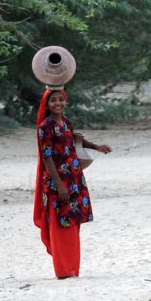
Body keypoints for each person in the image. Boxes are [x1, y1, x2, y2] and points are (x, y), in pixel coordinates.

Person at [34, 88, 112, 279]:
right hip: (58, 181)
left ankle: (72, 268)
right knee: (61, 223)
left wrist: (97, 147)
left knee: (73, 222)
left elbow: (76, 141)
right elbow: (47, 157)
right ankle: (64, 269)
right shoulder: (45, 127)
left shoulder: (66, 123)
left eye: (61, 99)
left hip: (74, 178)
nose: (58, 103)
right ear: (47, 104)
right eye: (54, 100)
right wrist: (59, 184)